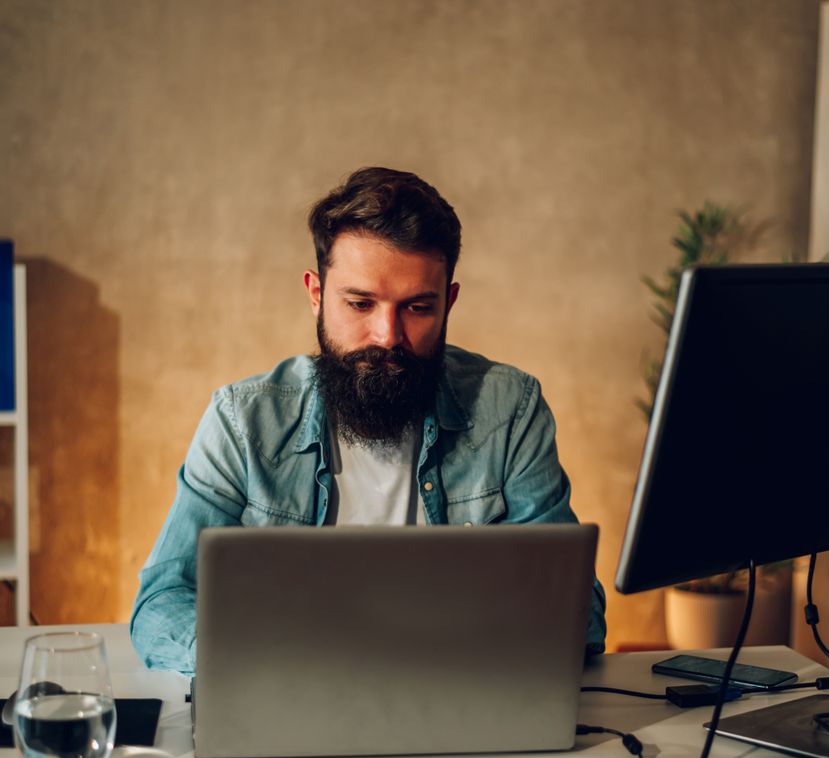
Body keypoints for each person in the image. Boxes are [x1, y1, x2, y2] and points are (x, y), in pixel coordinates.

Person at [130, 166, 607, 674]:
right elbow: (161, 603)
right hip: (292, 694)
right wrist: (268, 668)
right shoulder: (242, 421)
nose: (387, 335)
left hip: (456, 699)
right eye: (359, 303)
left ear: (449, 302)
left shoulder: (509, 410)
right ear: (316, 293)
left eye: (418, 308)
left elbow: (580, 616)